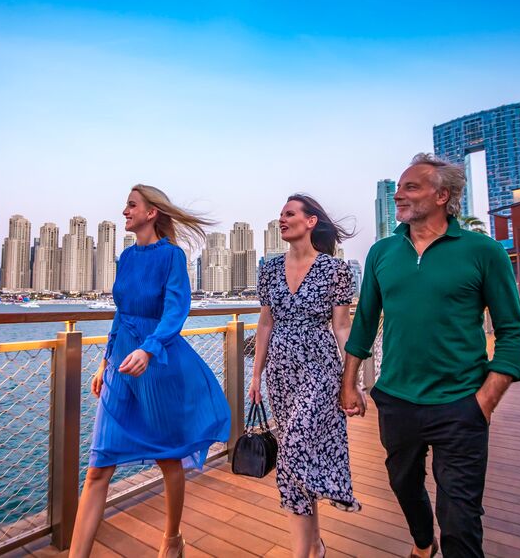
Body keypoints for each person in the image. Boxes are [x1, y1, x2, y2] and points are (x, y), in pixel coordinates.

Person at [341, 153, 520, 558]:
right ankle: (424, 541)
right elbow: (365, 321)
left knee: (460, 516)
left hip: (461, 403)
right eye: (397, 188)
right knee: (404, 485)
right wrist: (350, 383)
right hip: (396, 400)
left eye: (411, 187)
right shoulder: (382, 252)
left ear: (442, 196)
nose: (399, 194)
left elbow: (513, 330)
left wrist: (486, 399)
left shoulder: (483, 251)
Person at [69, 184, 230, 558]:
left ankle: (172, 538)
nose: (125, 211)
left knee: (168, 458)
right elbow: (121, 313)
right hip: (121, 366)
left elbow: (176, 311)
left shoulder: (172, 256)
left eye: (131, 205)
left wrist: (149, 348)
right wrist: (104, 362)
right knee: (98, 468)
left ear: (151, 212)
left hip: (155, 365)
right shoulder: (126, 257)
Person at [248, 194, 360, 558]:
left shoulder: (334, 269)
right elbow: (265, 323)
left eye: (290, 213)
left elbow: (341, 327)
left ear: (311, 221)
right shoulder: (268, 269)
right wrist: (255, 376)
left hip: (320, 367)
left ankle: (301, 553)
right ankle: (314, 545)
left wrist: (352, 380)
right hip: (280, 372)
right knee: (297, 455)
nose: (282, 219)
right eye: (280, 214)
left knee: (293, 448)